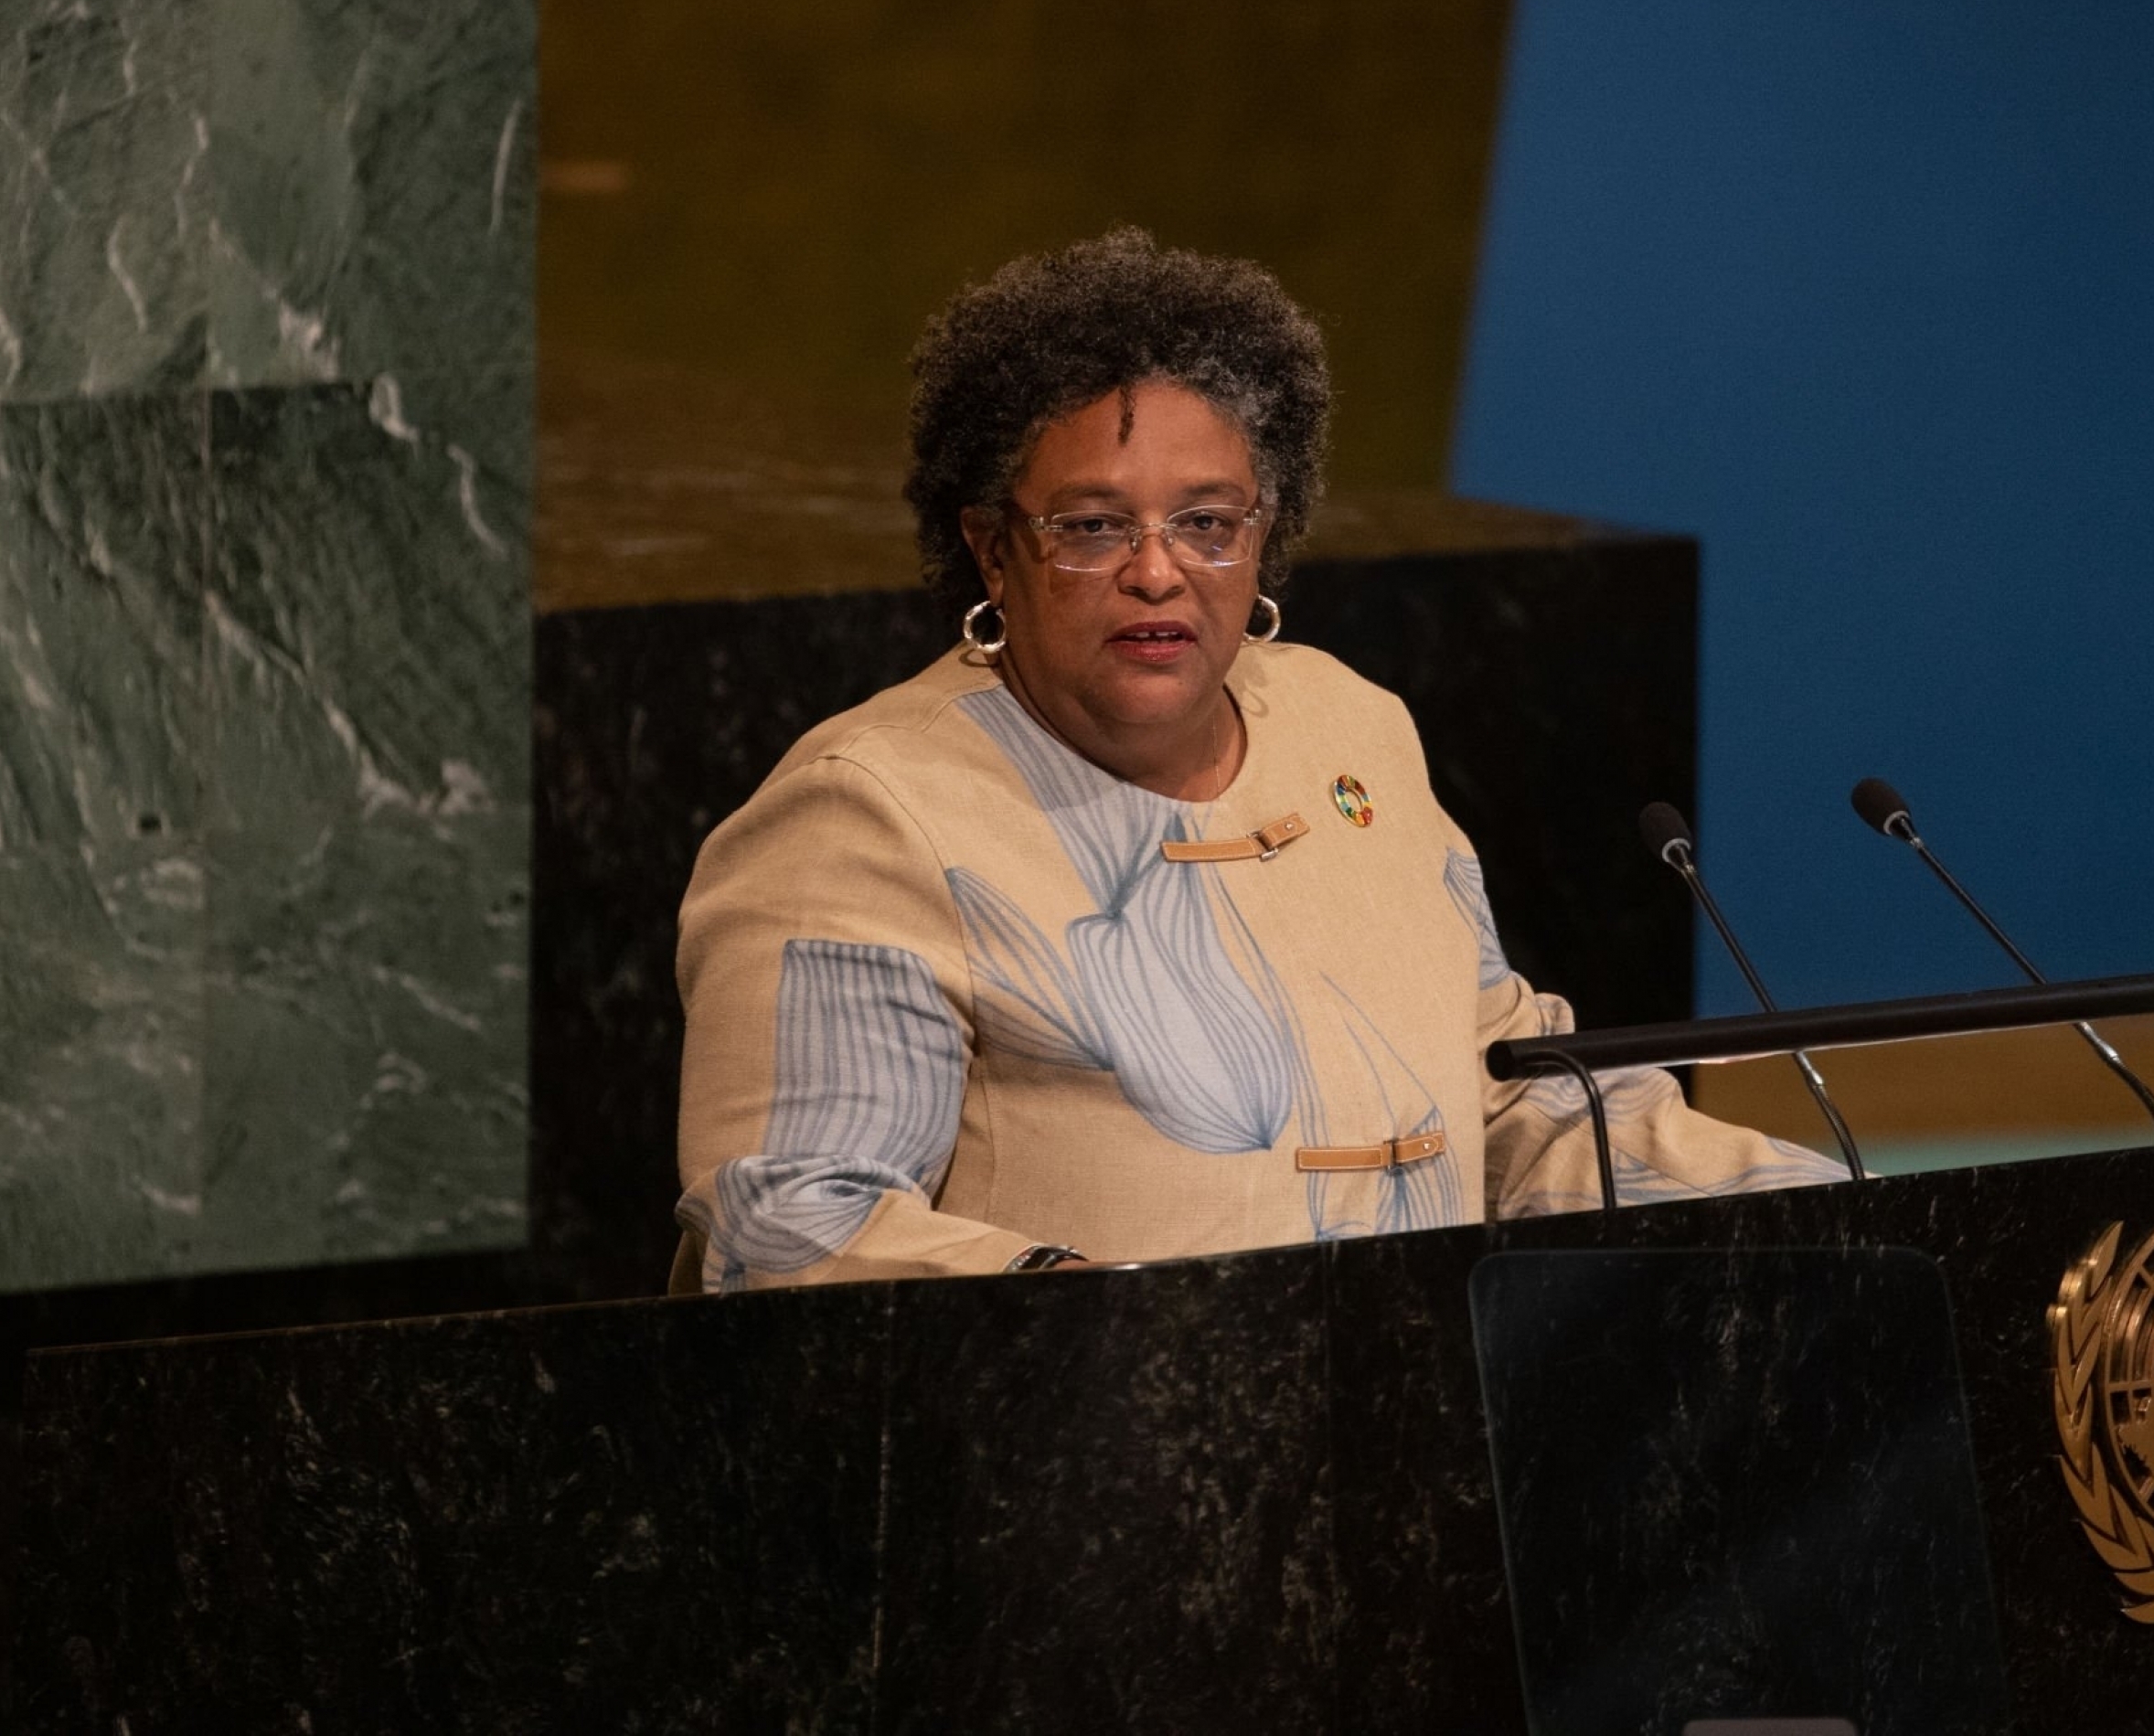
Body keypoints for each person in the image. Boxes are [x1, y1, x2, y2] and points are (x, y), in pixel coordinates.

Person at [669, 229, 1841, 1292]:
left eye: (1206, 521)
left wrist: (1817, 1208)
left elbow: (1506, 1098)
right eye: (1090, 526)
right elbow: (792, 1229)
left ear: (1261, 535)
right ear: (990, 548)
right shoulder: (865, 817)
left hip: (1411, 1431)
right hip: (1085, 1469)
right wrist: (1130, 1323)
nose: (1156, 571)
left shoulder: (1348, 727)